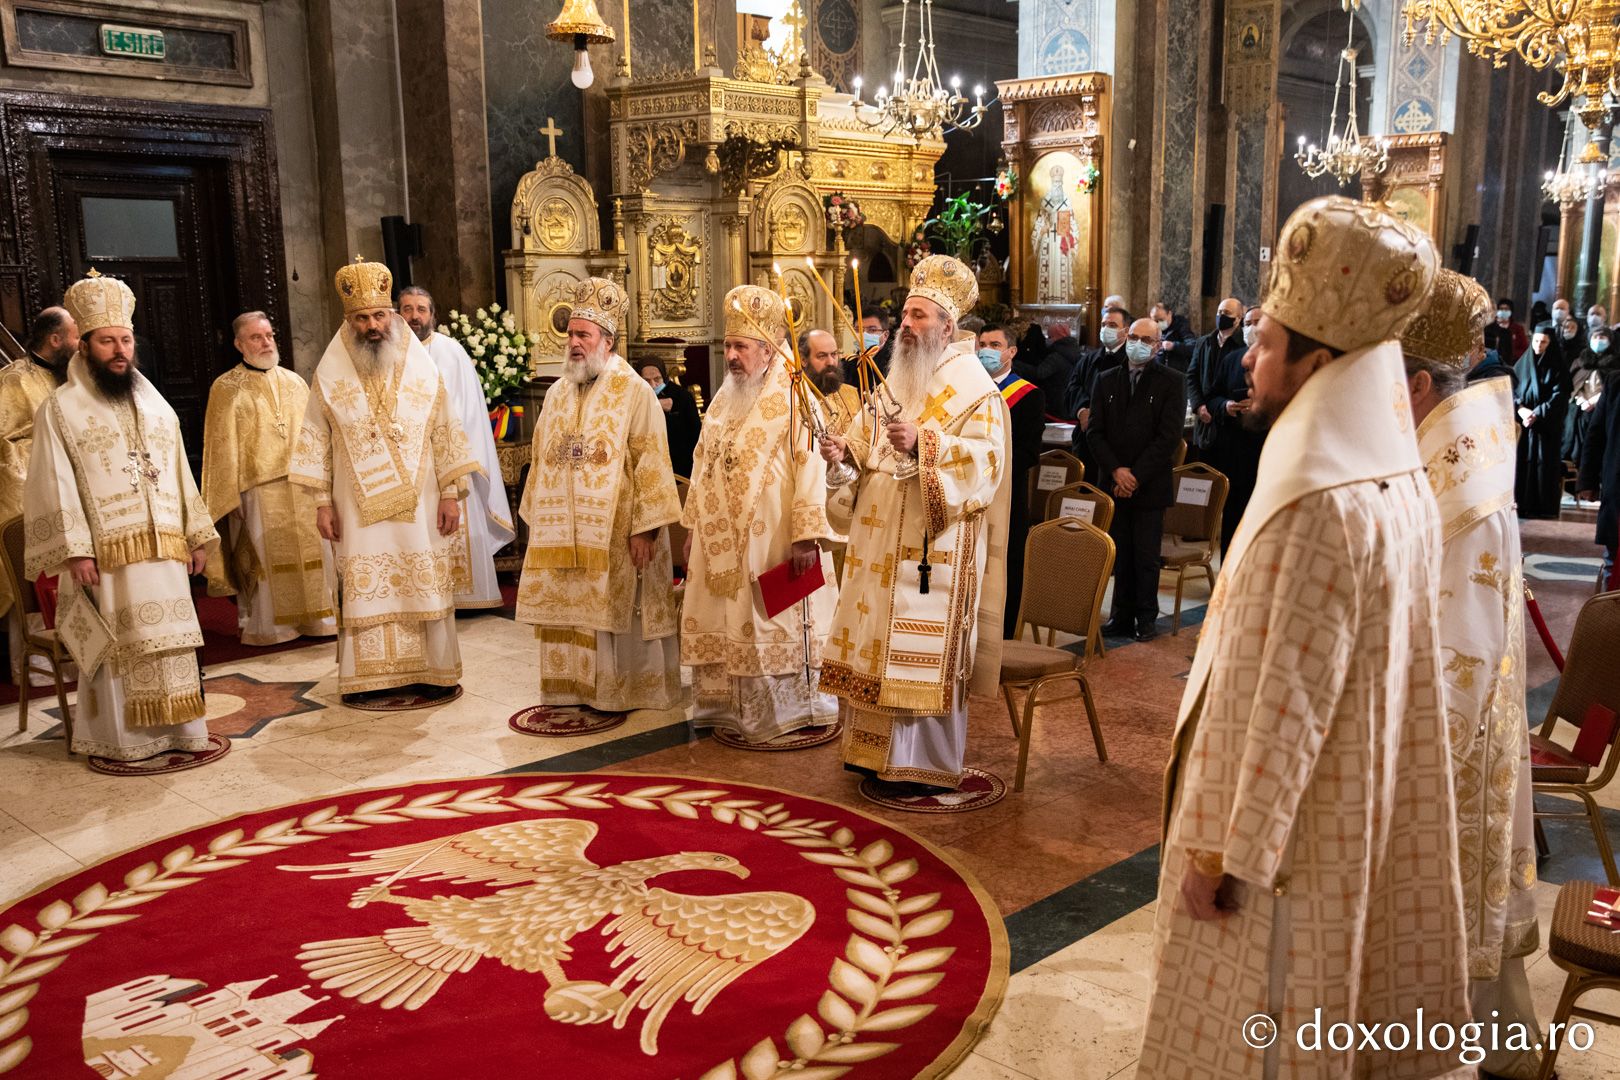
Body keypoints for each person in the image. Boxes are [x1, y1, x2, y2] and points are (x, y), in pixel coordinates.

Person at [1139, 196, 1470, 1079]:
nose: (1247, 354)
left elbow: (1289, 701)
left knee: (1265, 1027)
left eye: (1268, 339)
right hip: (1345, 809)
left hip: (1282, 852)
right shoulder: (1389, 474)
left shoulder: (1319, 501)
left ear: (1318, 359)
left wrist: (1227, 857)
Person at [1402, 268, 1543, 1080]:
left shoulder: (1465, 481)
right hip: (1440, 713)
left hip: (1447, 736)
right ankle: (1507, 1050)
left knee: (1452, 918)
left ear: (1420, 384)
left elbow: (1462, 643)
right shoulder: (1449, 444)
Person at [819, 255, 1010, 794]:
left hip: (930, 547)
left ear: (948, 326)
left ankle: (920, 764)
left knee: (912, 656)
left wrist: (927, 444)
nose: (907, 325)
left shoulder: (977, 389)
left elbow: (986, 466)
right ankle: (869, 754)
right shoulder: (895, 377)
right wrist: (840, 454)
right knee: (872, 640)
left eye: (920, 316)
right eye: (905, 314)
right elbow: (862, 445)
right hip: (878, 543)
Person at [23, 271, 218, 760]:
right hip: (105, 557)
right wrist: (76, 552)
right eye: (106, 340)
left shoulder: (157, 407)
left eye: (125, 340)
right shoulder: (60, 408)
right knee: (117, 646)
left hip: (164, 550)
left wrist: (195, 537)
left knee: (171, 641)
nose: (119, 350)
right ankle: (121, 741)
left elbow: (179, 473)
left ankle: (182, 732)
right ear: (83, 346)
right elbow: (53, 481)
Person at [290, 258, 479, 706]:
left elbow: (445, 430)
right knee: (364, 582)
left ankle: (433, 671)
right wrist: (321, 501)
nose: (372, 326)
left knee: (424, 581)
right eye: (362, 318)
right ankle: (370, 677)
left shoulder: (422, 368)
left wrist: (451, 494)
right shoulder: (330, 373)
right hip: (355, 506)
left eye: (379, 316)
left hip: (423, 501)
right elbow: (316, 438)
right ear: (348, 320)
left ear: (391, 316)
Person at [681, 285, 842, 744]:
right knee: (728, 617)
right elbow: (701, 460)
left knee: (775, 619)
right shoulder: (724, 397)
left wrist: (807, 534)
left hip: (775, 536)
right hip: (720, 538)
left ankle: (791, 712)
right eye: (728, 346)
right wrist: (693, 526)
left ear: (769, 350)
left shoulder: (796, 395)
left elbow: (810, 462)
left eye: (741, 347)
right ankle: (732, 710)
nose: (732, 356)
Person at [517, 278, 683, 714]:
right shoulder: (556, 393)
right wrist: (538, 520)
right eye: (570, 334)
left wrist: (645, 529)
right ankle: (571, 688)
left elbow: (652, 461)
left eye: (582, 335)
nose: (572, 343)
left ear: (607, 342)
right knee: (569, 606)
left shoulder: (635, 393)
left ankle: (621, 689)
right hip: (562, 532)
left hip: (618, 534)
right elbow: (540, 459)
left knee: (616, 607)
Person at [200, 312, 336, 645]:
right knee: (266, 560)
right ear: (238, 344)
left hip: (302, 485)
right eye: (256, 337)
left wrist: (324, 484)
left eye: (269, 335)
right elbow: (220, 447)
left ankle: (320, 620)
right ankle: (272, 628)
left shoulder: (294, 381)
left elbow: (315, 435)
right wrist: (230, 496)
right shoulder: (225, 387)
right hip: (257, 489)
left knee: (316, 554)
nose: (266, 342)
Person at [398, 286, 515, 610]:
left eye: (421, 309)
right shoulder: (389, 351)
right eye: (407, 309)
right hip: (406, 461)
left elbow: (468, 412)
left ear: (432, 314)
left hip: (449, 459)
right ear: (398, 314)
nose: (414, 316)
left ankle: (464, 598)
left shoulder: (451, 352)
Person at [1087, 317, 1184, 642]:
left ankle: (1145, 618)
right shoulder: (1105, 379)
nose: (1138, 343)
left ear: (1157, 346)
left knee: (1145, 557)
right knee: (1121, 555)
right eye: (1134, 337)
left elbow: (1167, 437)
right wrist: (1116, 471)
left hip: (1149, 484)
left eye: (1147, 339)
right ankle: (1120, 616)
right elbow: (1096, 432)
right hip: (1114, 481)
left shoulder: (1172, 381)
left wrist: (1134, 475)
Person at [0, 305, 76, 653]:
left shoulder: (75, 376)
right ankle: (40, 661)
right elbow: (5, 441)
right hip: (35, 486)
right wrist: (48, 454)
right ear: (56, 339)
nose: (82, 343)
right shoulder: (15, 379)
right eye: (76, 336)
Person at [979, 323, 1045, 637]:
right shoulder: (970, 389)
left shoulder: (1028, 396)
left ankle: (1006, 635)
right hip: (972, 494)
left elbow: (1029, 453)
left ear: (1011, 351)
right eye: (982, 344)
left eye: (994, 345)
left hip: (1008, 494)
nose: (986, 351)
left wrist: (988, 469)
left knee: (1007, 563)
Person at [1204, 306, 1266, 554]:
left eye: (1258, 322)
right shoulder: (1233, 359)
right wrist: (1226, 405)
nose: (1251, 327)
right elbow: (1213, 396)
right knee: (1233, 518)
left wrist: (1260, 406)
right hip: (1233, 451)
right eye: (1248, 323)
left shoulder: (1279, 361)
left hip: (1264, 452)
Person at [1513, 321, 1570, 519]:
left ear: (1550, 343)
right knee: (1522, 465)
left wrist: (1536, 413)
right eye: (1536, 341)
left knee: (1543, 465)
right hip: (1525, 425)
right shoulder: (1522, 364)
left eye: (1543, 342)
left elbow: (1559, 396)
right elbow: (1512, 390)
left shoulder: (1557, 367)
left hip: (1545, 428)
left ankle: (1542, 506)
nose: (1538, 345)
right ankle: (1521, 504)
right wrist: (1520, 410)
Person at [1067, 306, 1128, 478]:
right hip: (1086, 442)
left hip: (1116, 446)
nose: (1106, 329)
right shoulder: (1089, 359)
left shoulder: (1131, 361)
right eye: (1103, 325)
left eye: (1113, 325)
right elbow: (1073, 387)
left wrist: (1097, 416)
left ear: (1126, 330)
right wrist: (1082, 410)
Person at [1186, 297, 1245, 451]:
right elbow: (1192, 376)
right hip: (1205, 419)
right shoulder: (1204, 342)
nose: (1221, 316)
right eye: (1219, 312)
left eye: (1227, 312)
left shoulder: (1243, 344)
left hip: (1231, 420)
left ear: (1238, 318)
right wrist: (1198, 406)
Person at [1578, 368, 1619, 584]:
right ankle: (1609, 615)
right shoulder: (1615, 382)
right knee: (1614, 560)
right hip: (1618, 487)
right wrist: (1588, 480)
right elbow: (1596, 433)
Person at [637, 359, 701, 480]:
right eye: (646, 380)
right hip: (648, 463)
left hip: (679, 463)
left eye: (657, 379)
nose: (653, 385)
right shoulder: (635, 396)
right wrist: (656, 405)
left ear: (664, 377)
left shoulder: (681, 396)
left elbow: (695, 431)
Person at [1564, 325, 1612, 466]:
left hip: (1603, 411)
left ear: (1610, 340)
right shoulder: (1580, 361)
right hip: (1579, 411)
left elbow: (1613, 388)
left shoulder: (1615, 362)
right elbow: (1571, 385)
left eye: (1602, 337)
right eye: (1595, 337)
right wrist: (1581, 400)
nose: (1598, 340)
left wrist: (1594, 401)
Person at [800, 327, 861, 433]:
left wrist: (844, 447)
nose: (831, 362)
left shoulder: (850, 394)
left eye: (834, 354)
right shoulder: (794, 399)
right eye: (822, 356)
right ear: (804, 360)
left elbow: (863, 440)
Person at [1023, 317, 1080, 417]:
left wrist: (1019, 366)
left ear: (1057, 337)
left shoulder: (1056, 355)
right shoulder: (1074, 350)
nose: (1047, 340)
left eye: (1050, 337)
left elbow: (1040, 372)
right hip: (1070, 398)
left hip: (1056, 401)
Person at [1149, 301, 1196, 372]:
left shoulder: (1182, 327)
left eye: (1161, 319)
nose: (1158, 323)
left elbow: (1193, 347)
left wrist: (1173, 346)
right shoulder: (1151, 328)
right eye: (1155, 321)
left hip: (1176, 371)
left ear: (1169, 314)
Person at [1484, 296, 1528, 361]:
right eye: (1501, 309)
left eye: (1506, 309)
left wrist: (1511, 354)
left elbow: (1524, 349)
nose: (1503, 311)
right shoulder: (1489, 329)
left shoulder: (1518, 329)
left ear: (1511, 311)